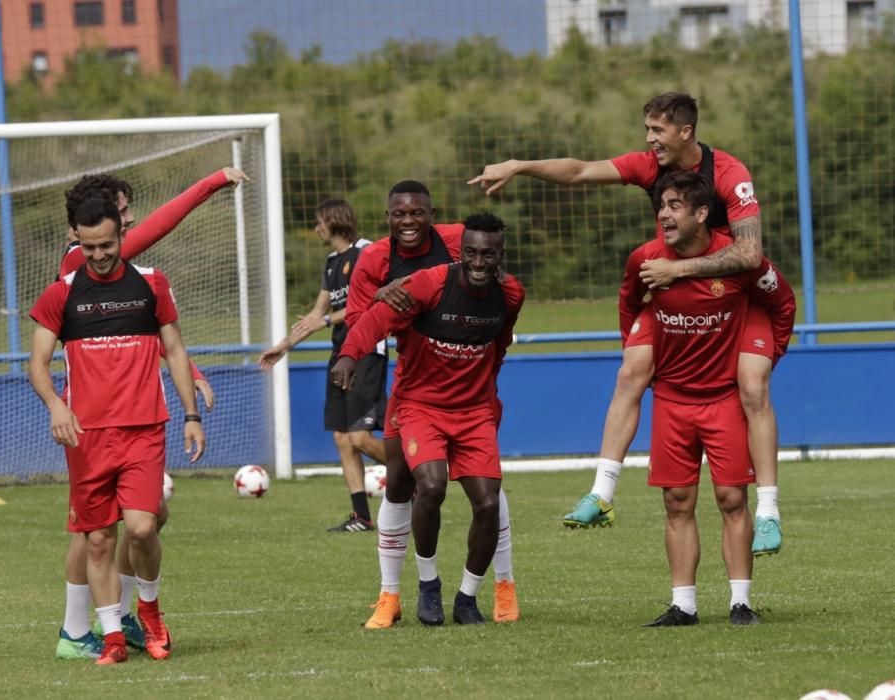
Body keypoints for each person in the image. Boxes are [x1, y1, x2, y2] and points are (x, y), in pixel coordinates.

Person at [469, 92, 785, 556]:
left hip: (736, 296)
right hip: (677, 296)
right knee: (631, 373)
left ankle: (770, 512)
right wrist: (518, 165)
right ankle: (602, 492)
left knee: (752, 386)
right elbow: (579, 171)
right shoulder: (648, 166)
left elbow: (749, 253)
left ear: (685, 132)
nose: (649, 139)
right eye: (647, 130)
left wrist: (676, 270)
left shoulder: (729, 174)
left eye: (657, 131)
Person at [53, 168, 245, 660]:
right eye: (124, 209)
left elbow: (146, 330)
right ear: (96, 221)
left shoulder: (118, 268)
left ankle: (114, 622)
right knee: (93, 531)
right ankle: (78, 633)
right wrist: (213, 182)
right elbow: (162, 224)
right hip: (93, 416)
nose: (130, 218)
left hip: (124, 413)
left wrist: (190, 371)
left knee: (143, 520)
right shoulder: (85, 256)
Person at [30, 198, 206, 664]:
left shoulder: (151, 283)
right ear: (76, 239)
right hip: (85, 437)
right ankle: (111, 637)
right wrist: (56, 407)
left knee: (144, 527)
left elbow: (175, 349)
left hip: (144, 430)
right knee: (99, 539)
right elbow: (38, 364)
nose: (98, 254)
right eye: (88, 247)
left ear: (122, 237)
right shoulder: (61, 294)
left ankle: (148, 608)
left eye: (106, 244)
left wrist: (192, 416)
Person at [619, 172, 794, 626]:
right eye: (661, 205)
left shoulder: (739, 261)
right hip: (674, 400)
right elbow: (629, 303)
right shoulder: (646, 258)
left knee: (731, 498)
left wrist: (768, 352)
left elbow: (783, 300)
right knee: (676, 500)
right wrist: (640, 353)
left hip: (722, 399)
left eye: (674, 205)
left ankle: (741, 603)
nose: (663, 213)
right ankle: (684, 605)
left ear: (700, 214)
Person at [332, 213, 525, 625]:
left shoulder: (510, 294)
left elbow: (501, 341)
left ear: (500, 256)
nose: (477, 261)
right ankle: (423, 587)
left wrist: (486, 390)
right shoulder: (421, 280)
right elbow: (371, 318)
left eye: (486, 255)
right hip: (418, 405)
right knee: (425, 486)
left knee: (489, 501)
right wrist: (350, 355)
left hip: (473, 409)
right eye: (469, 253)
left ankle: (472, 596)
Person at [259, 198, 387, 531]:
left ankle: (411, 475)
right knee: (343, 439)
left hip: (367, 353)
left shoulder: (366, 252)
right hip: (340, 355)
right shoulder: (332, 263)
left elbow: (371, 301)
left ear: (334, 220)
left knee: (360, 438)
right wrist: (283, 347)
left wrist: (327, 319)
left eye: (319, 221)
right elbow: (316, 315)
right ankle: (361, 516)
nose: (316, 228)